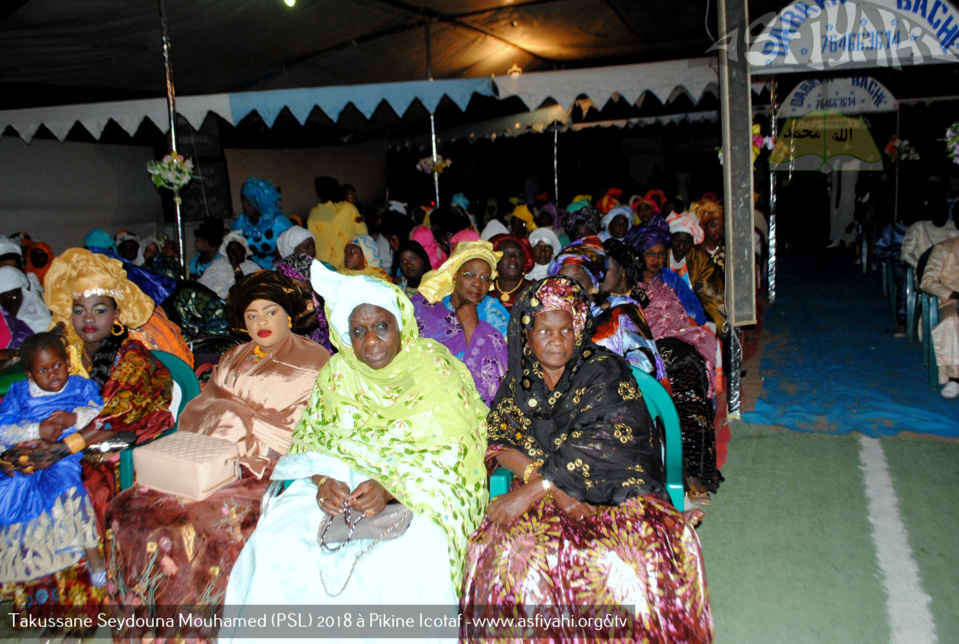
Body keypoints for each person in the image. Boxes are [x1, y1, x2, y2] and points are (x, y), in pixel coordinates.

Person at [223, 262, 488, 620]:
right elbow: (313, 439)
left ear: (401, 325)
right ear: (345, 337)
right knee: (277, 546)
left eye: (381, 326)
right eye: (358, 331)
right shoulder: (339, 373)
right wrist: (321, 480)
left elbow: (456, 451)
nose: (372, 341)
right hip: (342, 487)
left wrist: (391, 489)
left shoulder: (433, 368)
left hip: (423, 491)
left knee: (404, 562)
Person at [461, 277, 713, 642]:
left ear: (578, 331)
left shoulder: (604, 370)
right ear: (527, 335)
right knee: (508, 552)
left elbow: (606, 439)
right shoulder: (519, 380)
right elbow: (500, 442)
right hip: (540, 486)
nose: (557, 340)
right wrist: (548, 487)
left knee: (629, 554)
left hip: (613, 483)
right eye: (544, 330)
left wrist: (540, 487)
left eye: (566, 329)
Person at [105, 272, 331, 621]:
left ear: (288, 313)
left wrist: (242, 428)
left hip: (270, 469)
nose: (261, 323)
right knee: (132, 505)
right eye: (252, 315)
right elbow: (201, 408)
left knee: (195, 520)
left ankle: (204, 622)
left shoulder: (315, 361)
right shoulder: (234, 356)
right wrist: (228, 421)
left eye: (270, 312)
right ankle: (150, 617)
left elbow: (305, 429)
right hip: (209, 456)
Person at [33, 249, 175, 533]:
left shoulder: (133, 357)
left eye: (99, 310)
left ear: (117, 315)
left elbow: (114, 419)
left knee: (71, 488)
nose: (88, 319)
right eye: (79, 310)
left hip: (124, 455)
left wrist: (62, 449)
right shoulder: (68, 353)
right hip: (78, 446)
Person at [604, 240, 722, 503]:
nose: (599, 275)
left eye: (606, 268)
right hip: (634, 356)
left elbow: (679, 318)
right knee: (670, 373)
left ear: (622, 270)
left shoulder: (657, 288)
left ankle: (691, 470)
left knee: (688, 372)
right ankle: (666, 468)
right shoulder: (599, 300)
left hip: (668, 344)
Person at [0, 333, 105, 585]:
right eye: (42, 370)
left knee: (66, 485)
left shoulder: (81, 387)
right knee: (9, 488)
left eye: (58, 365)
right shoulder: (19, 394)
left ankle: (93, 554)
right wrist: (37, 430)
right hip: (26, 455)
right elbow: (3, 429)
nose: (53, 374)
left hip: (62, 455)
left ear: (68, 362)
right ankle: (23, 561)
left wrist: (74, 418)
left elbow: (101, 413)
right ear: (29, 374)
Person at [550, 236, 665, 382]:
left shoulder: (620, 311)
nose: (569, 286)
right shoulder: (555, 317)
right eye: (562, 280)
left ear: (593, 281)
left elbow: (645, 363)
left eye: (577, 279)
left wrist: (604, 371)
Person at [411, 240, 509, 404]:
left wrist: (472, 326)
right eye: (470, 274)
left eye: (485, 278)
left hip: (477, 404)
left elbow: (500, 376)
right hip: (426, 397)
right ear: (455, 275)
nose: (478, 283)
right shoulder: (425, 309)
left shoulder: (495, 314)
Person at [667, 211, 726, 334]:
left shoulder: (700, 258)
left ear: (692, 243)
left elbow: (710, 291)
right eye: (677, 241)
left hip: (697, 311)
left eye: (687, 242)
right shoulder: (661, 257)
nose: (682, 246)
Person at [920, 236, 959, 398]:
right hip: (950, 301)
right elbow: (927, 281)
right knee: (952, 320)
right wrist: (953, 294)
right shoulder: (944, 248)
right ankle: (955, 377)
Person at [232, 177, 293, 269]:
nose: (245, 206)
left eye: (249, 202)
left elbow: (294, 250)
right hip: (250, 273)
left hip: (278, 273)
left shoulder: (278, 223)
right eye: (243, 201)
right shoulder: (239, 224)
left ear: (260, 200)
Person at [308, 175, 367, 268]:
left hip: (324, 268)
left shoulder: (314, 214)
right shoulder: (349, 209)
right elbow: (363, 236)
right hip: (347, 265)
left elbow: (311, 242)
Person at [197, 231, 261, 300]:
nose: (234, 253)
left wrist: (235, 266)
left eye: (237, 249)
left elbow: (244, 288)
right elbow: (203, 286)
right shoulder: (219, 264)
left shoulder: (252, 267)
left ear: (244, 251)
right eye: (231, 250)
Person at [0, 265, 51, 334]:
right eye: (4, 298)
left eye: (14, 295)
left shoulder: (41, 320)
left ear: (23, 294)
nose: (11, 301)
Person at [488, 234, 533, 308]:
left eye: (518, 254)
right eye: (506, 254)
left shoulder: (534, 290)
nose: (513, 258)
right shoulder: (486, 289)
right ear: (495, 260)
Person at [694, 199, 725, 273]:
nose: (718, 230)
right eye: (714, 226)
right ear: (704, 225)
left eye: (722, 227)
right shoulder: (695, 250)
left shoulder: (726, 249)